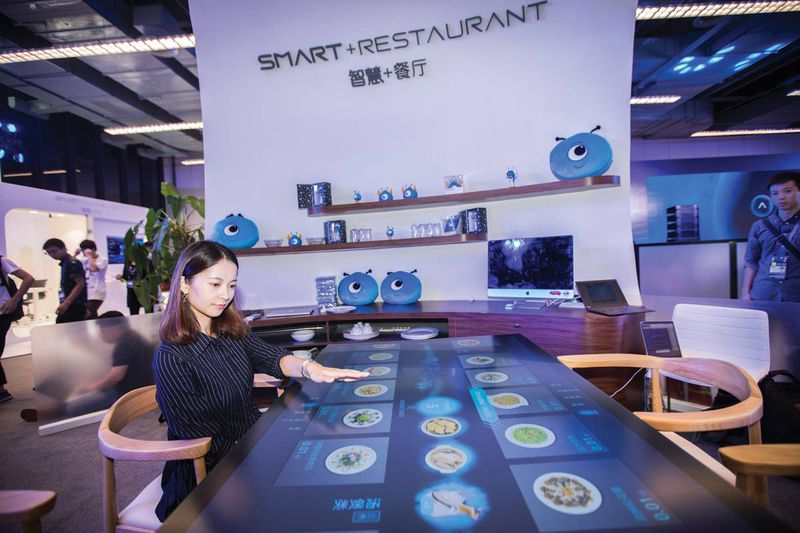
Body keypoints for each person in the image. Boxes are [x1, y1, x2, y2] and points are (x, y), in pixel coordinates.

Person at [153, 240, 368, 521]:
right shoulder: (171, 357)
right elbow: (202, 443)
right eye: (215, 284)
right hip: (211, 474)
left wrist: (309, 368)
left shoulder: (229, 331)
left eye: (231, 285)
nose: (225, 295)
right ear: (184, 284)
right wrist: (269, 451)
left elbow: (274, 358)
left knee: (329, 465)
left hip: (251, 445)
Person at [65, 311, 155, 416]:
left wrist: (92, 387)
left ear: (114, 328)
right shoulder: (133, 337)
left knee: (72, 407)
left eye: (103, 330)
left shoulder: (125, 343)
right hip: (139, 389)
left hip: (126, 393)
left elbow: (115, 377)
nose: (101, 334)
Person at [742, 171, 800, 302]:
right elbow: (751, 262)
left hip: (796, 295)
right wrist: (745, 293)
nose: (781, 197)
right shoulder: (760, 226)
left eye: (788, 191)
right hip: (764, 294)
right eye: (775, 193)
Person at [0, 255, 34, 403]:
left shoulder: (2, 260)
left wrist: (14, 300)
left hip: (3, 311)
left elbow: (28, 278)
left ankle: (1, 391)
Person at [43, 238, 87, 323]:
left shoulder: (72, 262)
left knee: (67, 330)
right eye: (49, 253)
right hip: (71, 303)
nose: (52, 255)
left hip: (74, 304)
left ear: (63, 248)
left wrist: (66, 303)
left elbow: (80, 284)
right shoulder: (65, 262)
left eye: (54, 251)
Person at [76, 239, 108, 319]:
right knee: (91, 314)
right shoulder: (84, 260)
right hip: (87, 292)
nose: (84, 253)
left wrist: (89, 256)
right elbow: (73, 267)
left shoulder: (103, 260)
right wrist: (75, 255)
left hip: (97, 291)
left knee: (89, 312)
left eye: (85, 250)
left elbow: (94, 268)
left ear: (93, 249)